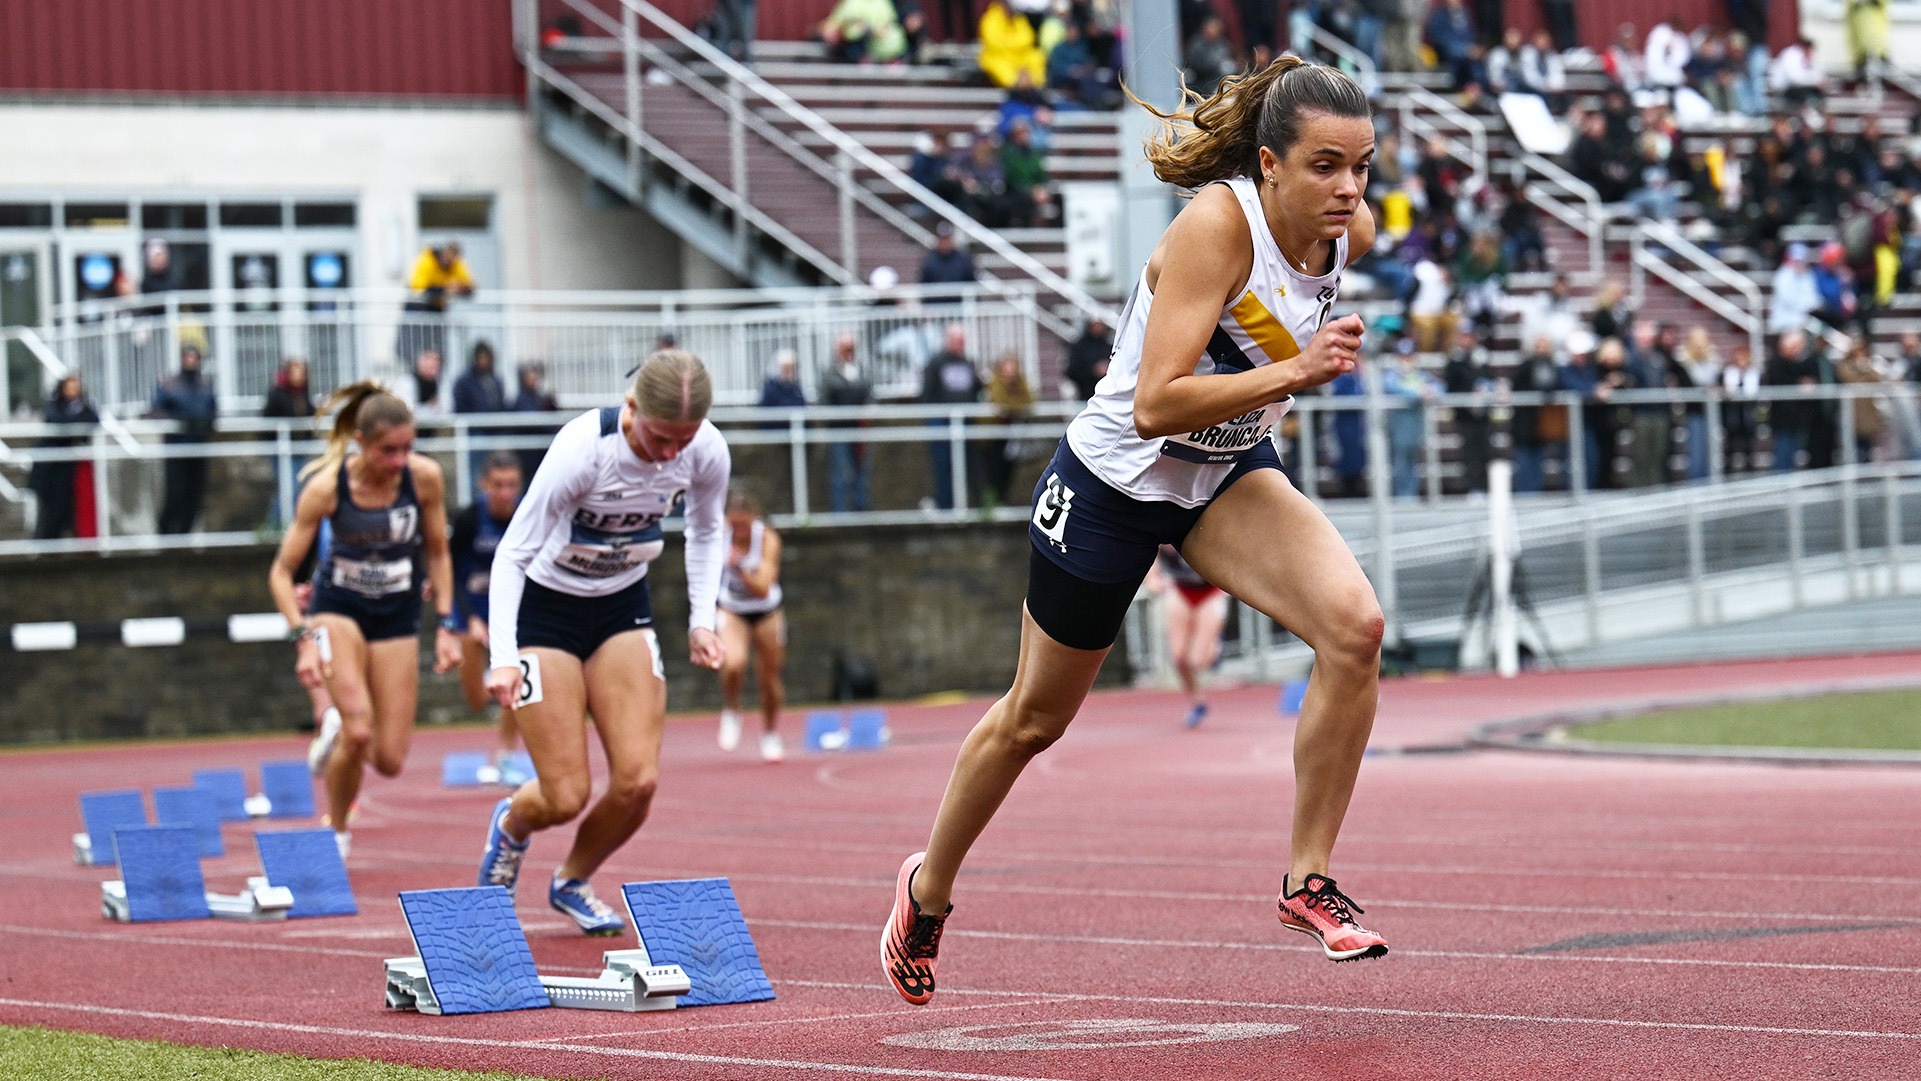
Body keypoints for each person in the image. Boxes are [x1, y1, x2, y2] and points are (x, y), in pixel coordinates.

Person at [881, 57, 1389, 1009]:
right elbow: (1155, 403)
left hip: (1223, 476)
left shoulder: (1346, 227)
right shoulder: (1214, 228)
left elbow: (1342, 242)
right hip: (1115, 481)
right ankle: (927, 889)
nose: (1350, 189)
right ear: (1269, 164)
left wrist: (1286, 377)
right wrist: (1295, 373)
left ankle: (1306, 878)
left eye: (1362, 166)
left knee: (1354, 629)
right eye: (1326, 166)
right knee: (1035, 718)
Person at [478, 350, 730, 936]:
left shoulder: (706, 448)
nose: (671, 453)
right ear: (631, 406)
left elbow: (707, 529)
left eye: (684, 439)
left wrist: (702, 620)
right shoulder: (583, 450)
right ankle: (513, 825)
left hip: (621, 607)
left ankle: (572, 879)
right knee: (566, 794)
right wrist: (503, 656)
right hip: (547, 609)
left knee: (638, 782)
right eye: (661, 437)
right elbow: (512, 553)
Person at [268, 383, 461, 858]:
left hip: (396, 615)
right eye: (387, 451)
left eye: (407, 448)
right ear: (359, 441)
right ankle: (335, 830)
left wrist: (446, 625)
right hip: (340, 609)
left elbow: (438, 552)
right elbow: (280, 572)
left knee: (390, 758)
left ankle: (335, 727)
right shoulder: (326, 489)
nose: (399, 461)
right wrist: (304, 638)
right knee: (359, 731)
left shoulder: (425, 479)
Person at [452, 453, 527, 779]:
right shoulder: (469, 518)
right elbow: (449, 570)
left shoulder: (527, 515)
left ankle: (506, 752)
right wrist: (469, 619)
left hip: (511, 608)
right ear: (484, 485)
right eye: (498, 485)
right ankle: (485, 681)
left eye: (511, 484)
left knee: (518, 675)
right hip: (472, 608)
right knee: (478, 701)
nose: (505, 492)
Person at [715, 492, 788, 762]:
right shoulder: (720, 534)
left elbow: (762, 587)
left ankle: (770, 732)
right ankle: (732, 708)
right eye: (734, 525)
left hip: (766, 611)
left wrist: (741, 565)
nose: (739, 531)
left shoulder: (767, 540)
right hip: (732, 609)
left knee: (769, 678)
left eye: (744, 525)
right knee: (733, 662)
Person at [1147, 545, 1228, 729]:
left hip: (1210, 592)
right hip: (1182, 590)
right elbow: (1150, 560)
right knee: (1179, 658)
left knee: (1197, 661)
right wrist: (1153, 580)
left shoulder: (1193, 533)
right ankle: (1198, 701)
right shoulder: (1160, 540)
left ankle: (1215, 643)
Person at [151, 344, 219, 535]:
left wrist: (205, 423)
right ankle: (165, 532)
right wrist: (176, 423)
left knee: (195, 495)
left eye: (194, 357)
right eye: (187, 357)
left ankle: (185, 534)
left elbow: (213, 410)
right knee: (175, 493)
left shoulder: (205, 385)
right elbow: (156, 410)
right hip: (176, 448)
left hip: (199, 447)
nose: (190, 361)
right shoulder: (169, 384)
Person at [920, 323, 982, 511]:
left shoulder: (968, 363)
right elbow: (926, 393)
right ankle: (946, 505)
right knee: (943, 466)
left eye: (962, 340)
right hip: (941, 422)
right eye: (956, 340)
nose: (960, 344)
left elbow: (976, 389)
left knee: (964, 465)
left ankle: (963, 505)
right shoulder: (936, 362)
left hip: (964, 422)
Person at [30, 374, 99, 540]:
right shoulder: (54, 405)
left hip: (68, 468)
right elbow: (58, 422)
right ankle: (45, 544)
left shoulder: (83, 407)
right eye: (70, 386)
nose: (73, 390)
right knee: (49, 510)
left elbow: (94, 420)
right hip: (49, 470)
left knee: (67, 509)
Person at [820, 332, 874, 513]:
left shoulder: (861, 371)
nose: (848, 352)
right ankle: (840, 512)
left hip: (860, 430)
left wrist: (866, 411)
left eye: (851, 348)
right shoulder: (830, 374)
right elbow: (824, 401)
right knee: (840, 472)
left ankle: (861, 508)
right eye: (845, 349)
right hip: (839, 430)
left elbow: (870, 396)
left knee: (861, 471)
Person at [975, 352, 1034, 508]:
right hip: (992, 436)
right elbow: (1000, 402)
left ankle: (1001, 499)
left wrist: (1012, 407)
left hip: (1012, 435)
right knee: (994, 469)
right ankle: (993, 502)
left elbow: (1028, 401)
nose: (1011, 373)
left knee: (1008, 470)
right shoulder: (994, 383)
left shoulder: (1021, 383)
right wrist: (1014, 406)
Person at [1065, 317, 1113, 401]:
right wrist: (1093, 371)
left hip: (1107, 397)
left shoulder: (1109, 347)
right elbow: (1071, 371)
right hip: (1085, 396)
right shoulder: (1080, 347)